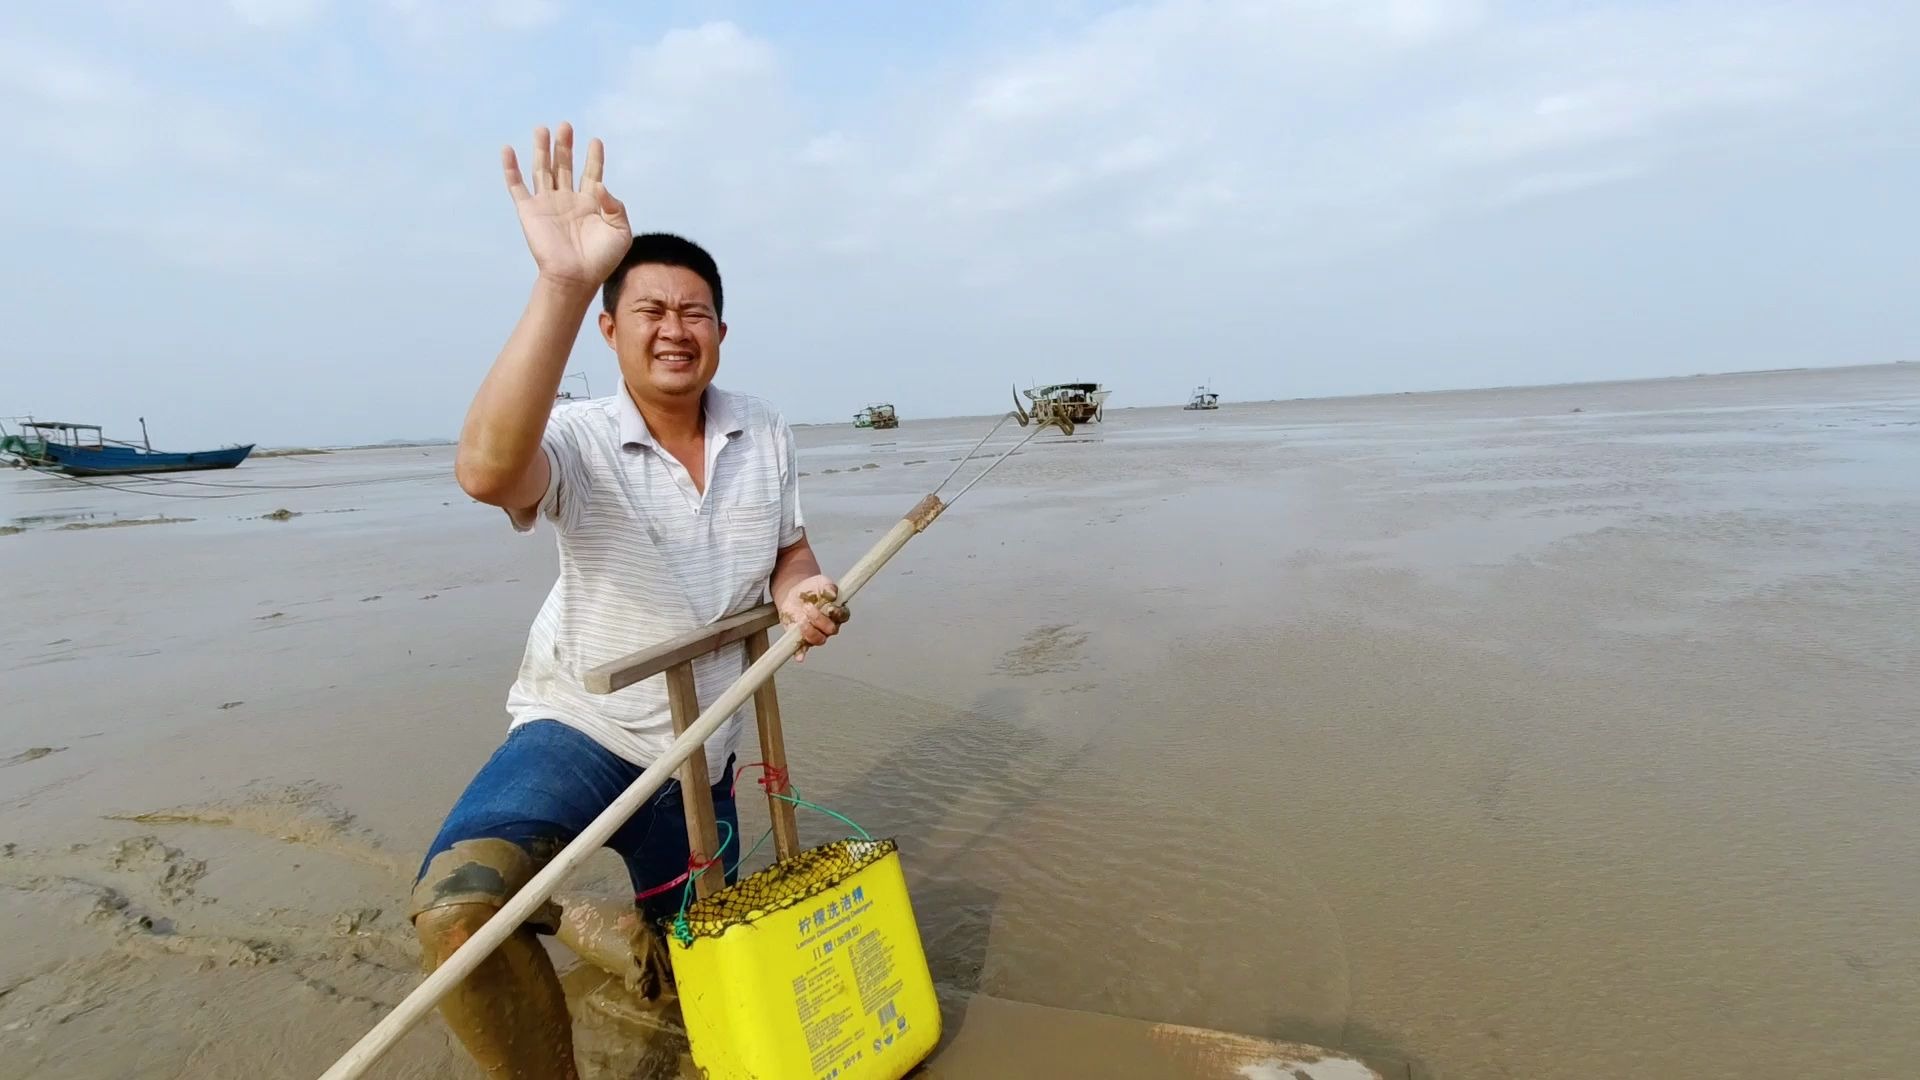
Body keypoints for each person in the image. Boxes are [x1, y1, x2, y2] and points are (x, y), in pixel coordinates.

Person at [409, 122, 847, 1079]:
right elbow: (488, 472)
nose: (674, 329)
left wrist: (802, 590)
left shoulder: (761, 427)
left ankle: (617, 936)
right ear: (609, 330)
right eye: (648, 309)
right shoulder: (576, 438)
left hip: (708, 748)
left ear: (721, 334)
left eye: (696, 312)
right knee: (460, 911)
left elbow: (787, 551)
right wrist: (562, 281)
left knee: (688, 970)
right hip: (583, 726)